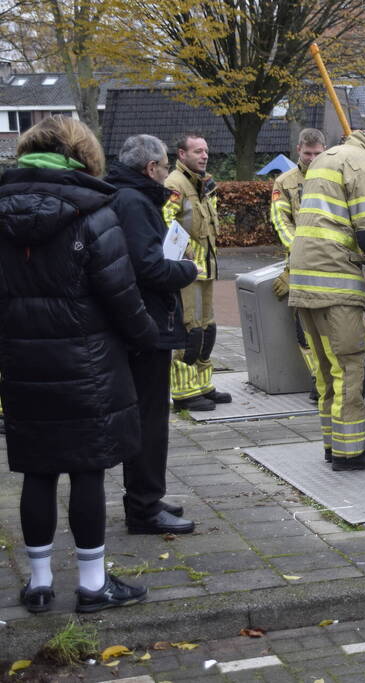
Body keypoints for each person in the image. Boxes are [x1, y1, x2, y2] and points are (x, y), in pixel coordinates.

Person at [0, 115, 156, 613]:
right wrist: (147, 340)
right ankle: (92, 585)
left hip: (22, 364)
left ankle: (39, 583)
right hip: (89, 366)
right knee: (88, 471)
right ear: (83, 154)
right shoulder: (95, 212)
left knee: (37, 472)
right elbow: (121, 295)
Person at [288, 131, 365, 471]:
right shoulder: (362, 166)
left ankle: (339, 442)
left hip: (304, 277)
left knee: (328, 370)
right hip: (335, 281)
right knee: (350, 365)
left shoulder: (326, 160)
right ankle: (349, 454)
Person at [106, 134, 200, 535]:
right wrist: (188, 269)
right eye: (164, 166)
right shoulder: (135, 201)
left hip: (136, 322)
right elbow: (150, 268)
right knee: (149, 417)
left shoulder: (122, 195)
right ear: (151, 169)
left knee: (148, 415)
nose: (167, 174)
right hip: (146, 325)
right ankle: (143, 507)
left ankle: (147, 497)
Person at [163, 132, 231, 412]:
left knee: (207, 330)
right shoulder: (175, 184)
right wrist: (188, 254)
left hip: (207, 270)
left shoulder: (203, 183)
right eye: (197, 151)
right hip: (188, 271)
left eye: (205, 151)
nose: (204, 155)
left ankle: (204, 385)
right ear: (182, 154)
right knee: (189, 331)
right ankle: (184, 392)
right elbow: (166, 220)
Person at [269, 128, 327, 400]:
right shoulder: (285, 182)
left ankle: (333, 378)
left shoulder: (335, 178)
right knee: (305, 329)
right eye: (308, 153)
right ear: (298, 150)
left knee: (334, 326)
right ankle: (319, 378)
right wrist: (301, 250)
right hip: (301, 264)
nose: (313, 158)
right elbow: (281, 221)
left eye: (318, 153)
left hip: (332, 264)